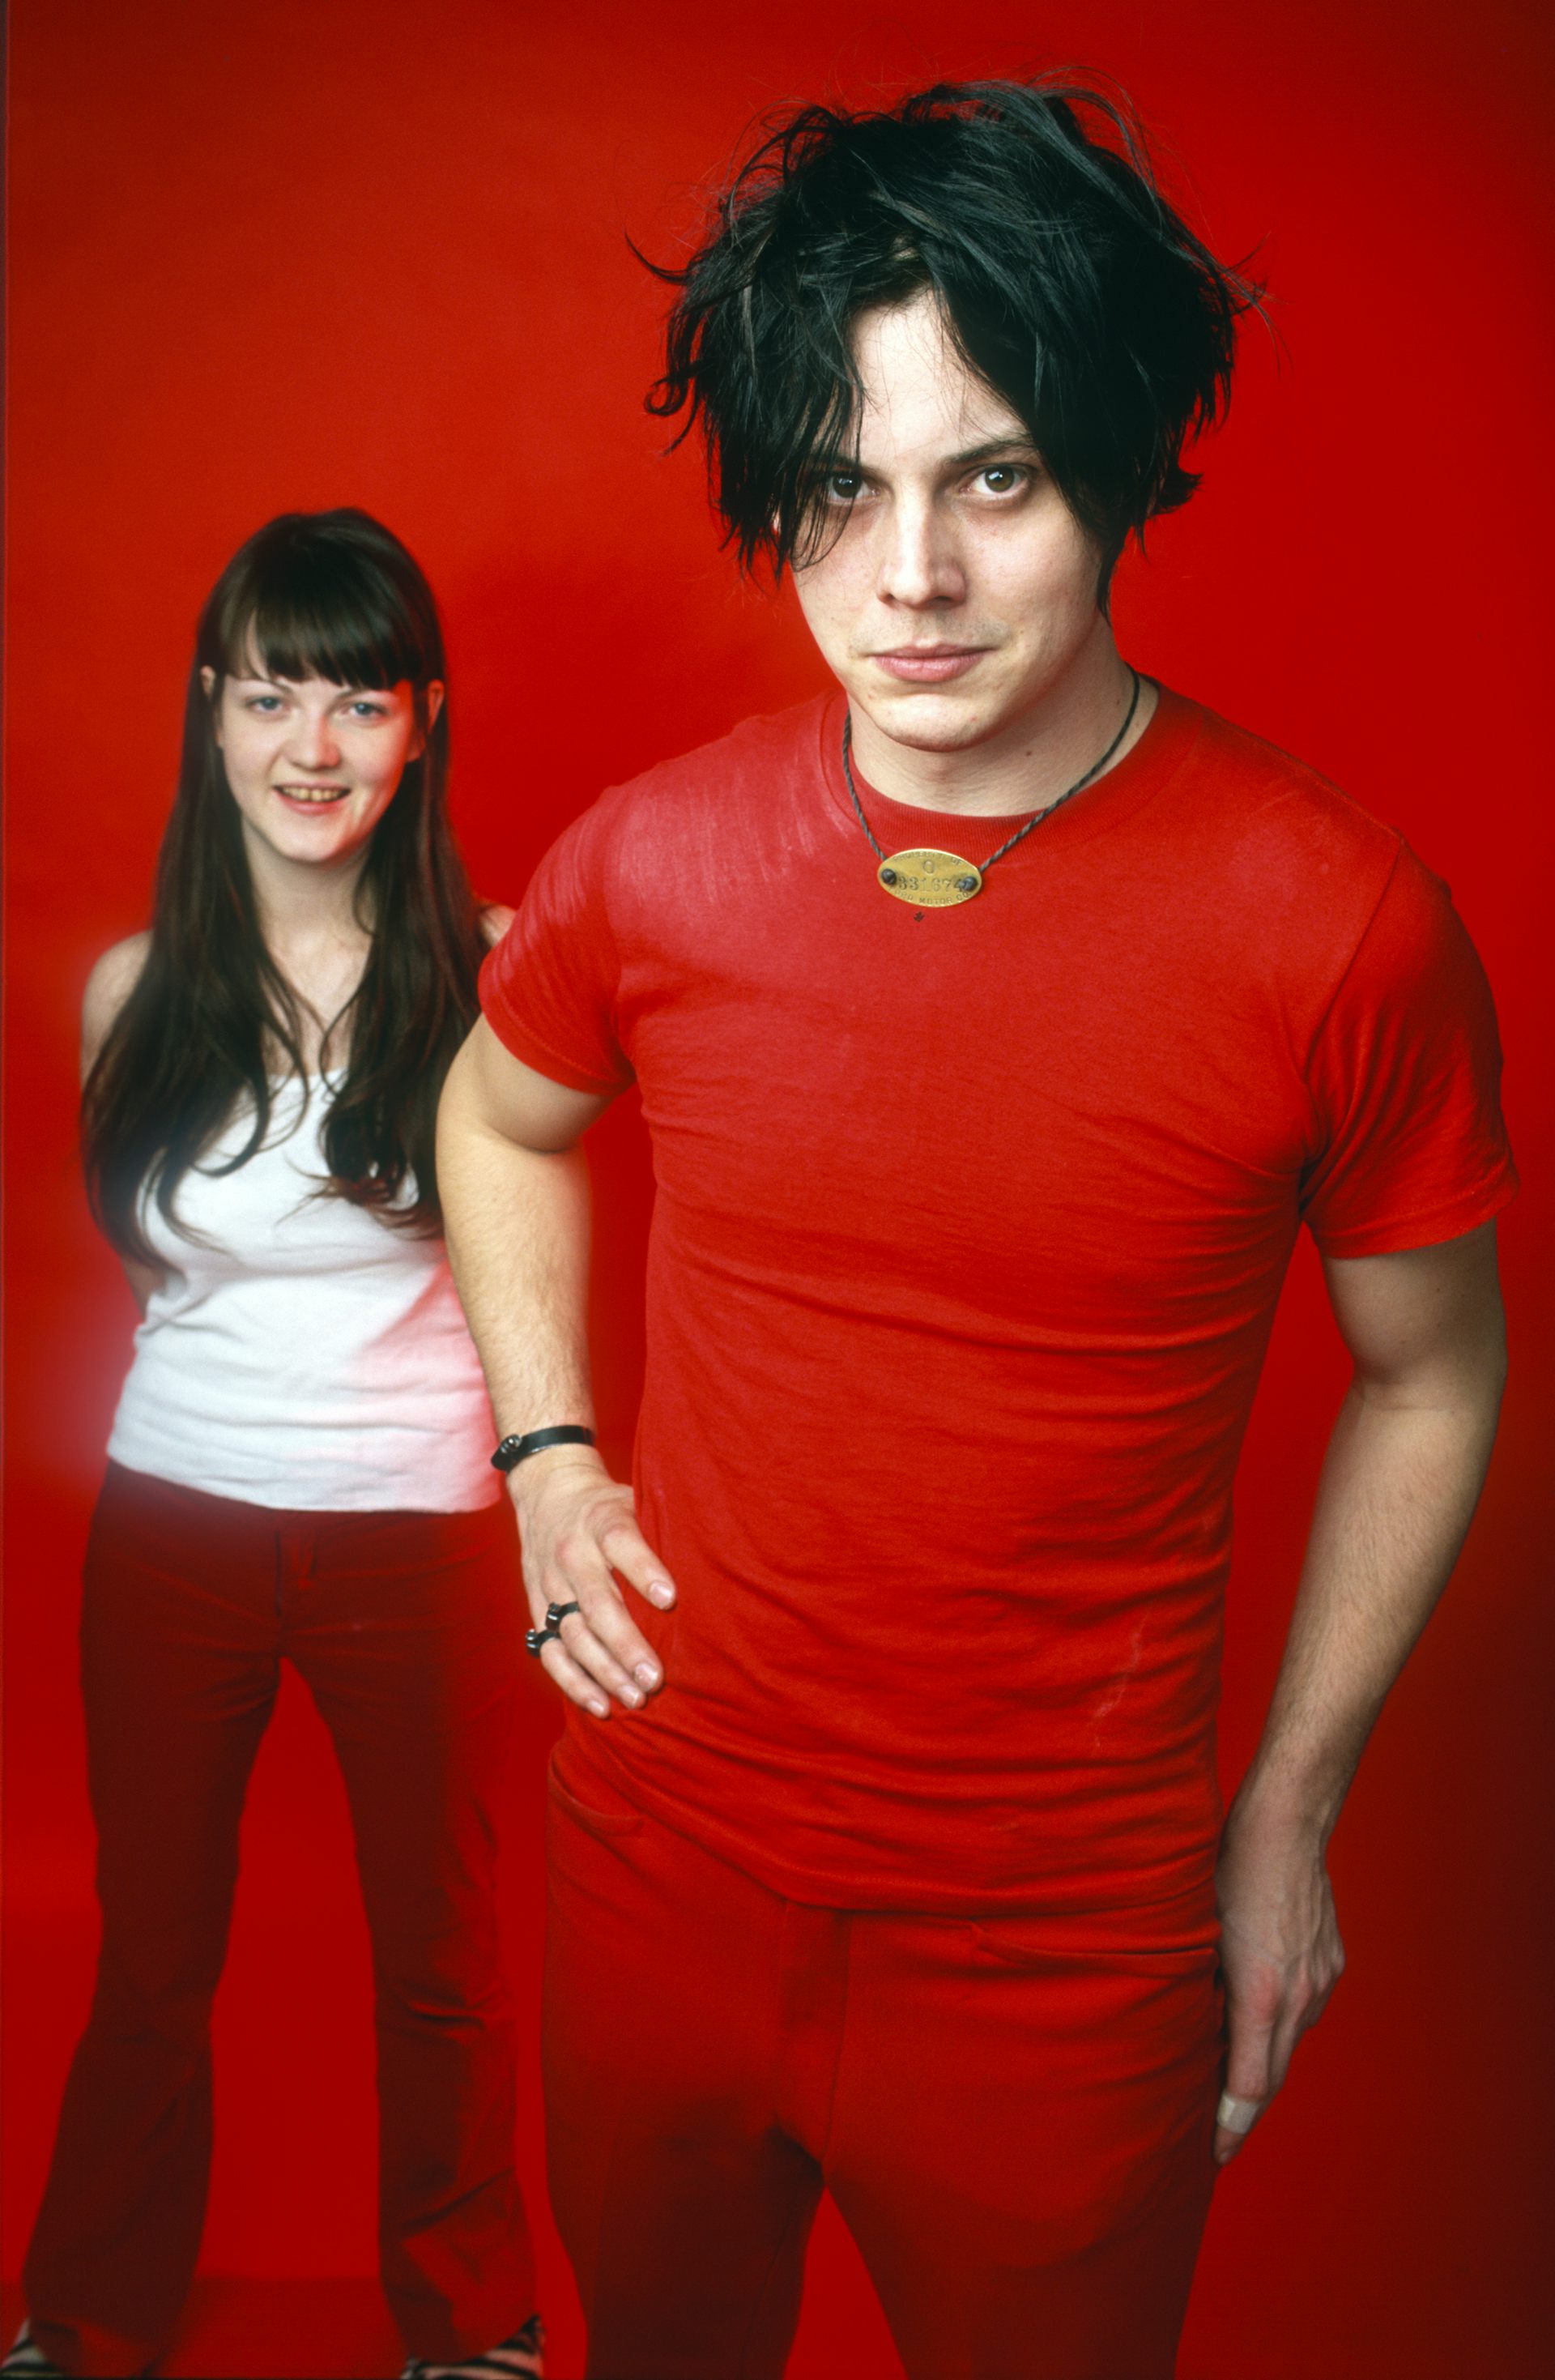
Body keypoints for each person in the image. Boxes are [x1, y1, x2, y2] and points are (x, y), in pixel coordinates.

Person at [437, 83, 1515, 2380]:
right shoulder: (654, 859)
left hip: (1062, 1946)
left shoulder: (1342, 925)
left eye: (991, 476)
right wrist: (545, 1456)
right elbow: (500, 1112)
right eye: (841, 491)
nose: (907, 577)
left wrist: (1291, 1805)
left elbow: (1437, 1363)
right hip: (659, 1874)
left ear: (1114, 464)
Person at [7, 512, 543, 2380]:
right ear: (210, 720)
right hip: (173, 1529)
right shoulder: (129, 993)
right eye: (269, 694)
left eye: (358, 697)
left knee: (450, 1966)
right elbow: (169, 1281)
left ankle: (473, 2325)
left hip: (427, 1529)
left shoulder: (495, 967)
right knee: (148, 1962)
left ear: (422, 727)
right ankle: (82, 2312)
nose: (312, 743)